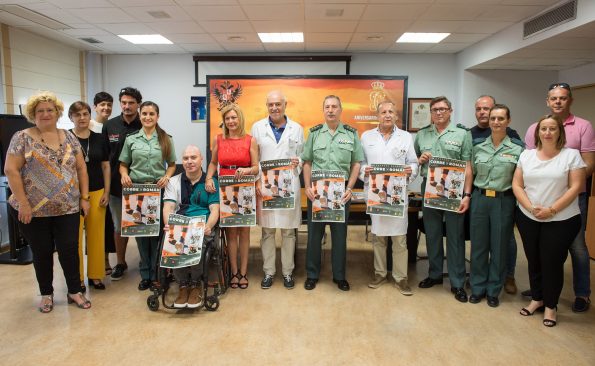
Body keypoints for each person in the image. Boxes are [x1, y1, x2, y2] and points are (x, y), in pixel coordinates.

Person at [4, 91, 91, 312]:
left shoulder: (69, 136)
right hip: (33, 211)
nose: (45, 114)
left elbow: (81, 168)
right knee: (42, 253)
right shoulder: (21, 138)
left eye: (50, 110)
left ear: (57, 113)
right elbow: (11, 170)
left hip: (68, 208)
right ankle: (46, 294)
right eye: (40, 110)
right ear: (33, 114)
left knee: (70, 250)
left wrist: (85, 198)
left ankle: (74, 291)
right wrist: (23, 203)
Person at [523, 83, 594, 313]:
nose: (558, 102)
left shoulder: (583, 127)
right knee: (537, 251)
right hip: (534, 204)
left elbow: (589, 164)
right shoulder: (534, 127)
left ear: (569, 100)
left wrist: (562, 188)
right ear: (547, 101)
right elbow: (528, 164)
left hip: (570, 201)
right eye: (554, 98)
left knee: (578, 248)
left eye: (563, 98)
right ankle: (540, 293)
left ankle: (582, 293)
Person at [513, 114, 585, 327]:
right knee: (533, 259)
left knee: (551, 262)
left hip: (562, 219)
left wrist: (552, 210)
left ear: (559, 132)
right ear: (537, 132)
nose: (547, 132)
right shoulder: (526, 155)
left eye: (552, 128)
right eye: (543, 128)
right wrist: (530, 207)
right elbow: (517, 184)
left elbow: (576, 187)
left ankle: (551, 306)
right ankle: (537, 299)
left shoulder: (571, 155)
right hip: (529, 216)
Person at [414, 96, 473, 303]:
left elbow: (467, 166)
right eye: (435, 110)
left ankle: (457, 282)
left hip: (454, 191)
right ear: (430, 113)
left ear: (450, 111)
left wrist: (467, 194)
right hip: (429, 189)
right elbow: (416, 161)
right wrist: (420, 160)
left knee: (455, 236)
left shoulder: (462, 134)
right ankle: (435, 274)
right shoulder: (421, 135)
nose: (439, 113)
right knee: (432, 233)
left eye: (442, 109)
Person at [301, 95, 363, 291]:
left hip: (341, 191)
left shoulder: (352, 134)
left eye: (334, 107)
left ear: (340, 110)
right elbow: (307, 162)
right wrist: (308, 186)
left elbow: (356, 164)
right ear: (323, 110)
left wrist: (350, 189)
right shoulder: (314, 134)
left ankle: (339, 275)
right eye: (327, 107)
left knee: (339, 235)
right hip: (317, 191)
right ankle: (312, 274)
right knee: (314, 235)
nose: (330, 110)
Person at [359, 101, 418, 295]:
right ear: (377, 115)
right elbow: (360, 163)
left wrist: (411, 171)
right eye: (383, 112)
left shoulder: (406, 137)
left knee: (400, 238)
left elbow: (413, 163)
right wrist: (363, 171)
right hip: (376, 195)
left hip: (397, 196)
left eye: (391, 112)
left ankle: (401, 278)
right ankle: (380, 274)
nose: (387, 115)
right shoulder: (367, 136)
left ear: (396, 116)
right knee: (378, 238)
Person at [469, 104, 523, 307]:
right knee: (479, 246)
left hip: (503, 200)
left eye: (501, 118)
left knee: (499, 247)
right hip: (480, 199)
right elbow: (471, 173)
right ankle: (477, 287)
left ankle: (493, 290)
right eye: (493, 118)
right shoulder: (478, 146)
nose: (496, 122)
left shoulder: (518, 149)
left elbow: (520, 180)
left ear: (508, 121)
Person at [119, 101, 176, 291]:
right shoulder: (131, 139)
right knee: (141, 236)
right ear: (140, 115)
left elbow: (173, 164)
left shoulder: (166, 139)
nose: (147, 117)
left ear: (157, 116)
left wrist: (167, 176)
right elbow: (123, 163)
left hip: (157, 191)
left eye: (151, 114)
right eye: (144, 114)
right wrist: (124, 174)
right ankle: (145, 274)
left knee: (157, 233)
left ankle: (158, 274)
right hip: (137, 192)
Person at [251, 90, 304, 289]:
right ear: (267, 106)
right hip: (266, 187)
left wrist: (296, 163)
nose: (274, 108)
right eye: (271, 104)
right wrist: (257, 180)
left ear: (285, 105)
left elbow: (302, 156)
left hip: (289, 185)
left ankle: (288, 273)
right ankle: (269, 272)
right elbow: (254, 159)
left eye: (278, 104)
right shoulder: (257, 128)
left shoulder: (297, 128)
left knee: (289, 232)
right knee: (268, 231)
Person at [205, 104, 259, 289]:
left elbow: (256, 167)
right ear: (224, 121)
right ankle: (233, 272)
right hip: (225, 188)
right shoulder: (218, 139)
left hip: (244, 188)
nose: (231, 121)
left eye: (234, 117)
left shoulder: (250, 140)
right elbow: (213, 163)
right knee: (231, 232)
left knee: (244, 232)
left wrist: (247, 169)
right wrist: (208, 178)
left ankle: (243, 272)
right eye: (227, 118)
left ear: (240, 119)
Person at [163, 145, 220, 308]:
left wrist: (208, 226)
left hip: (202, 225)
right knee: (174, 242)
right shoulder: (174, 182)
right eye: (186, 158)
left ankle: (195, 284)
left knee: (197, 242)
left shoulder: (211, 183)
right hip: (181, 225)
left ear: (201, 159)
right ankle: (182, 286)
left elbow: (214, 210)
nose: (189, 161)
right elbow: (168, 208)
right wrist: (170, 226)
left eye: (193, 157)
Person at [69, 101, 111, 291]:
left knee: (96, 235)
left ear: (89, 115)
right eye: (77, 115)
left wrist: (107, 192)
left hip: (97, 191)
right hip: (73, 195)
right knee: (74, 238)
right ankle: (77, 278)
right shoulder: (66, 138)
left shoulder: (100, 138)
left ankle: (95, 275)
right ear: (71, 117)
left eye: (85, 114)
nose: (82, 118)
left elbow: (105, 166)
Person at [102, 87, 142, 280]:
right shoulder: (110, 126)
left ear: (138, 105)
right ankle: (120, 262)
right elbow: (104, 158)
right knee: (120, 226)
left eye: (131, 103)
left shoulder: (145, 124)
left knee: (142, 224)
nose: (127, 106)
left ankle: (146, 262)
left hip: (141, 185)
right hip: (116, 186)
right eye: (123, 102)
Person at [91, 92, 116, 275]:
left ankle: (106, 259)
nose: (106, 108)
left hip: (110, 179)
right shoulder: (89, 127)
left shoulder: (111, 126)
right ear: (95, 107)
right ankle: (100, 261)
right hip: (93, 182)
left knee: (108, 223)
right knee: (96, 225)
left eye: (109, 105)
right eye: (102, 105)